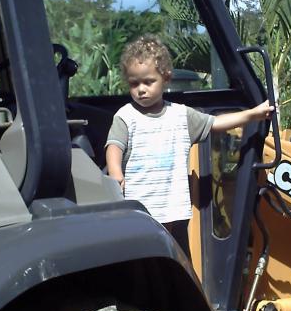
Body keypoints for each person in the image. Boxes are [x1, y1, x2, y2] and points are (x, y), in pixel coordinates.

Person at [105, 35, 273, 256]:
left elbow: (216, 123)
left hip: (171, 203)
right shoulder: (126, 115)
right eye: (134, 84)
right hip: (139, 203)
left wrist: (253, 114)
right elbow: (114, 145)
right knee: (146, 248)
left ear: (166, 78)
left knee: (170, 248)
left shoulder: (180, 115)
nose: (141, 89)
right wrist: (116, 173)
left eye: (148, 82)